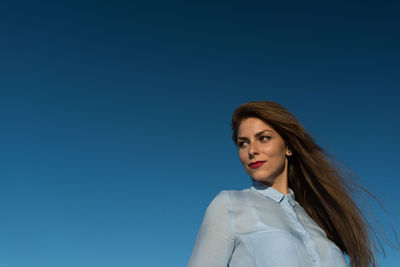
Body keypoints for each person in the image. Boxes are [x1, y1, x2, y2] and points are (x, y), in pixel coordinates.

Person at [187, 101, 380, 267]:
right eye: (243, 143)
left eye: (263, 138)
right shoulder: (228, 204)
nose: (252, 150)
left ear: (288, 147)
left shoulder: (316, 220)